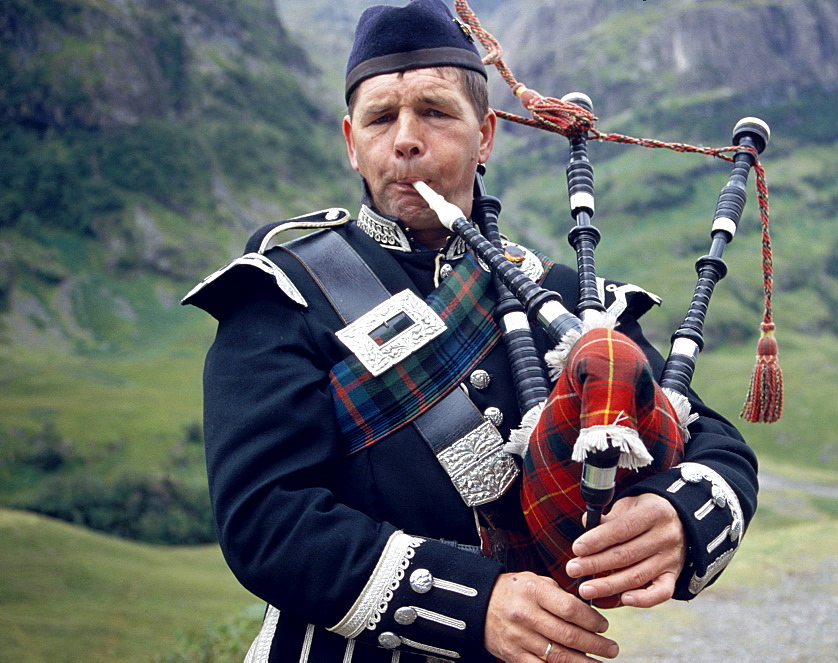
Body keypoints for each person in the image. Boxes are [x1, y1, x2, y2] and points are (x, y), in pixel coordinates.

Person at [183, 1, 758, 661]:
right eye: (380, 117)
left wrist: (677, 514)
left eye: (433, 111)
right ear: (351, 141)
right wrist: (475, 602)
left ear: (485, 134)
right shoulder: (282, 295)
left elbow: (709, 439)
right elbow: (266, 520)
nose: (405, 138)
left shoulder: (572, 299)